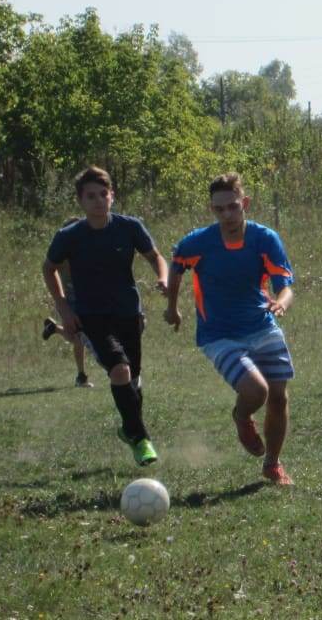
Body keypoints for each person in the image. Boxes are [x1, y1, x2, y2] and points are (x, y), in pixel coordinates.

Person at [165, 172, 297, 485]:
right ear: (212, 210)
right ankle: (241, 416)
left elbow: (286, 285)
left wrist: (281, 303)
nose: (227, 215)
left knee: (278, 397)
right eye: (219, 209)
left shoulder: (264, 239)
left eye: (233, 207)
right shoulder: (198, 242)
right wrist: (172, 307)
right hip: (218, 335)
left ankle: (272, 464)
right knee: (257, 391)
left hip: (262, 325)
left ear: (245, 204)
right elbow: (176, 266)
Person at [42, 167, 167, 466]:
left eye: (103, 194)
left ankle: (129, 429)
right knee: (120, 371)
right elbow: (49, 268)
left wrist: (162, 277)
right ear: (80, 201)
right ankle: (140, 439)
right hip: (92, 316)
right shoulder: (69, 236)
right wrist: (64, 308)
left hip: (128, 313)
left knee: (133, 380)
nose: (98, 201)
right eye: (90, 196)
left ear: (112, 196)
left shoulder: (130, 227)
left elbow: (155, 257)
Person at [42, 217, 95, 388]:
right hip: (69, 302)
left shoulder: (87, 250)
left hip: (87, 300)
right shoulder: (63, 254)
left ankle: (54, 328)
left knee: (79, 337)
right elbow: (49, 270)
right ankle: (81, 376)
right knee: (79, 337)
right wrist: (61, 299)